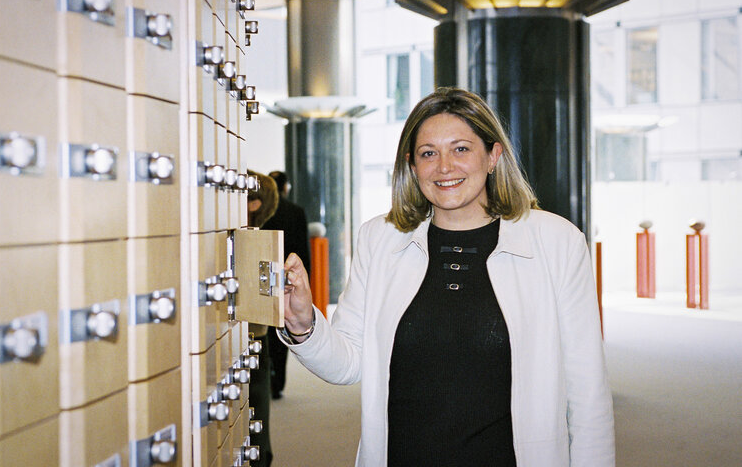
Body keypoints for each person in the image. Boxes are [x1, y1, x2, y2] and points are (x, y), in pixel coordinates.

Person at [278, 88, 615, 467]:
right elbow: (349, 362)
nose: (444, 167)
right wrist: (305, 325)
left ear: (492, 156)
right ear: (411, 165)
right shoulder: (379, 238)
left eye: (461, 149)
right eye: (428, 153)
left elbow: (588, 394)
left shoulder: (556, 241)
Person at [262, 170, 311, 399]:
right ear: (285, 187)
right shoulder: (297, 211)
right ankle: (278, 383)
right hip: (287, 277)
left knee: (265, 331)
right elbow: (303, 250)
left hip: (263, 276)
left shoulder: (260, 210)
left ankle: (266, 375)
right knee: (283, 327)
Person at [246, 171, 279, 467]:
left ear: (254, 204)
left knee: (255, 414)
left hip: (253, 341)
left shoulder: (256, 246)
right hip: (253, 340)